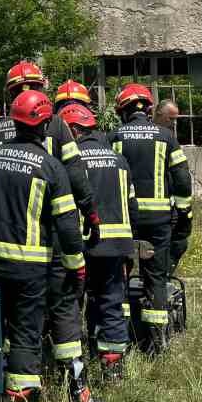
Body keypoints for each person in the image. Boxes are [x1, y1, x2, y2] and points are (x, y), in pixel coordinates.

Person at [0, 88, 86, 402]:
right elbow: (68, 226)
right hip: (31, 268)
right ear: (43, 126)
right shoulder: (51, 167)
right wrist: (75, 264)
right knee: (26, 335)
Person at [0, 64, 96, 391]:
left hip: (5, 237)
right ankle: (74, 383)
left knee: (8, 315)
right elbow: (76, 175)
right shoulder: (59, 127)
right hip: (49, 236)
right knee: (63, 303)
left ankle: (1, 376)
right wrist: (90, 211)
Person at [112, 83, 192, 353]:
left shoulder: (115, 137)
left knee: (120, 276)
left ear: (122, 111)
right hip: (158, 220)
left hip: (124, 220)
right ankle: (157, 343)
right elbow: (182, 179)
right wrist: (184, 214)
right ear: (148, 109)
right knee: (155, 278)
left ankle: (121, 338)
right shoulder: (166, 137)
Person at [60, 102, 135, 386]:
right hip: (116, 245)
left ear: (76, 130)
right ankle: (113, 366)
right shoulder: (119, 160)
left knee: (71, 304)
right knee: (111, 302)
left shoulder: (73, 159)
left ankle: (74, 366)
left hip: (83, 243)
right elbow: (132, 205)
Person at [152, 97, 194, 274]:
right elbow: (182, 177)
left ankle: (161, 276)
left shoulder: (169, 136)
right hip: (160, 206)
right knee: (175, 240)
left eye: (176, 119)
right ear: (158, 114)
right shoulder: (163, 137)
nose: (174, 123)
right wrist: (184, 210)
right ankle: (161, 278)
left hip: (165, 202)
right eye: (170, 119)